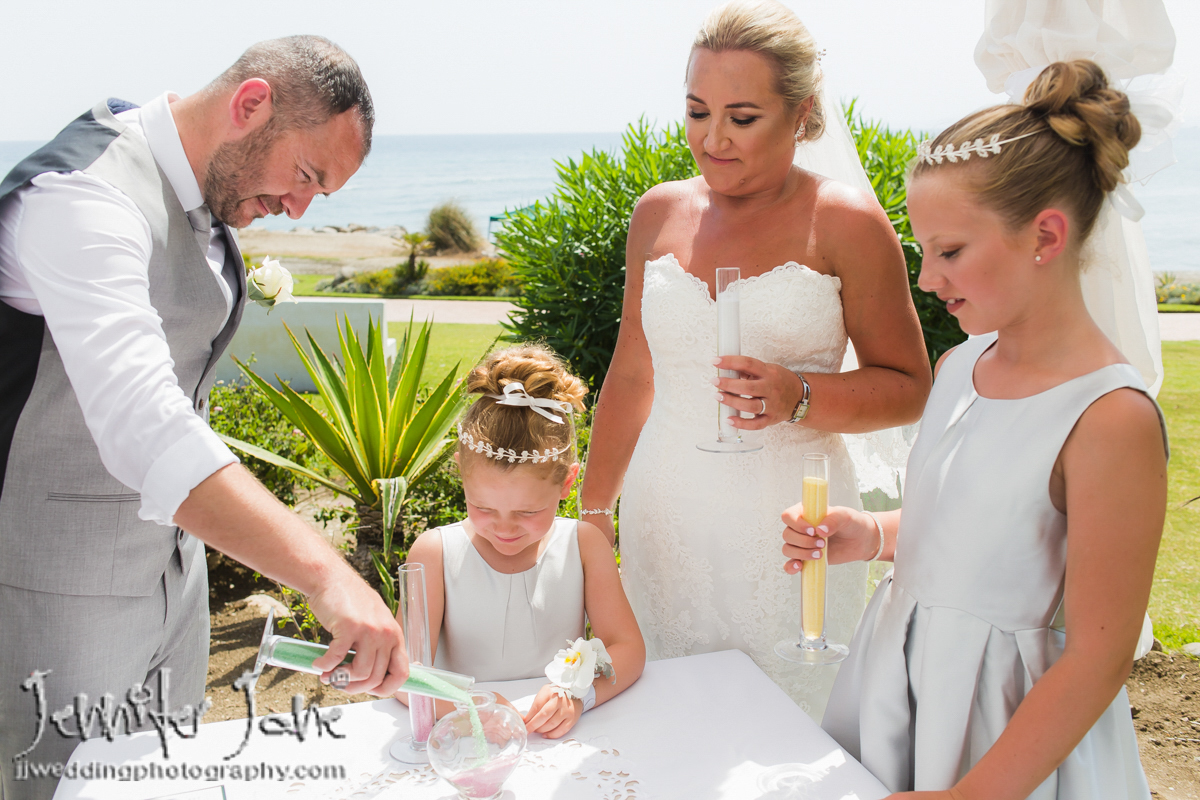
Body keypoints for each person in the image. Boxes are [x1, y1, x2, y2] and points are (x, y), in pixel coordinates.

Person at [0, 37, 407, 800]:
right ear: (250, 105)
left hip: (176, 590)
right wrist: (328, 576)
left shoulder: (209, 196)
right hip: (59, 597)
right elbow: (144, 422)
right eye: (306, 175)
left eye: (321, 197)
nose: (298, 207)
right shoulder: (83, 198)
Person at [784, 61, 1166, 798]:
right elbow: (976, 519)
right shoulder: (961, 364)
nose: (928, 280)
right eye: (924, 250)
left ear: (1045, 236)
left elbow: (1099, 654)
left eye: (949, 252)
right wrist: (872, 532)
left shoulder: (1108, 417)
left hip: (1004, 733)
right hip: (902, 685)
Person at [577, 0, 931, 718]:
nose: (713, 139)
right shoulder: (657, 213)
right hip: (665, 514)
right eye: (697, 110)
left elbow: (909, 388)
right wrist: (594, 510)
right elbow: (633, 370)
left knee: (787, 734)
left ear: (800, 114)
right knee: (664, 723)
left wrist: (800, 393)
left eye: (742, 118)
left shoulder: (847, 223)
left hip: (790, 531)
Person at [399, 345, 645, 739]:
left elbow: (628, 648)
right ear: (461, 473)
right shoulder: (435, 553)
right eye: (483, 507)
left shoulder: (583, 546)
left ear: (567, 483)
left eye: (528, 512)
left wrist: (579, 695)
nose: (504, 528)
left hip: (557, 737)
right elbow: (404, 674)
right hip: (469, 742)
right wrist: (471, 707)